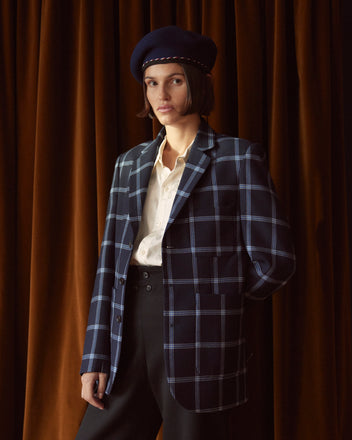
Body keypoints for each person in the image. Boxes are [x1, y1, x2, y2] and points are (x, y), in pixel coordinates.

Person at [76, 25, 296, 440]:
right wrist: (95, 355)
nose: (162, 95)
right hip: (128, 325)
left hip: (199, 334)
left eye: (174, 81)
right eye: (152, 84)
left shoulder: (237, 157)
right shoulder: (129, 164)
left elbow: (276, 260)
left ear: (195, 84)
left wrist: (217, 300)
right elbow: (109, 265)